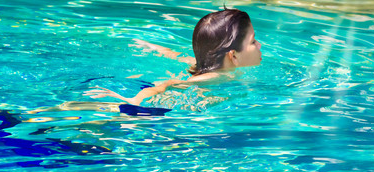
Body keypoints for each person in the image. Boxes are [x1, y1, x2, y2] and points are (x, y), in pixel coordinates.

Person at [84, 8, 262, 107]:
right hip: (159, 107)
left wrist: (153, 47)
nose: (259, 45)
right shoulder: (217, 76)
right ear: (234, 56)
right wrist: (135, 101)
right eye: (253, 41)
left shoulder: (203, 64)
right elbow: (169, 84)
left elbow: (177, 56)